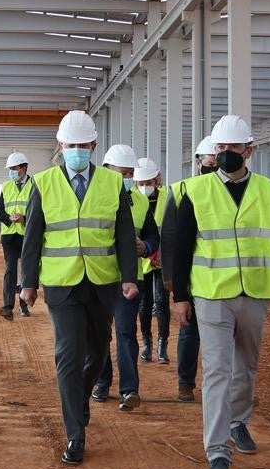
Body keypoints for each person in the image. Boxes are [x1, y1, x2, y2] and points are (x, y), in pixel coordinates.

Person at [170, 115, 270, 469]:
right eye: (221, 148)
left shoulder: (267, 191)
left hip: (255, 293)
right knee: (218, 369)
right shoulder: (195, 191)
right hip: (212, 293)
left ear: (249, 150)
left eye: (233, 148)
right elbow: (181, 248)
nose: (226, 154)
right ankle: (217, 451)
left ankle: (238, 421)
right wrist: (181, 296)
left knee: (246, 366)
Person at [20, 111, 138, 466]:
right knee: (68, 355)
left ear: (93, 146)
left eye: (83, 145)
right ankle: (75, 434)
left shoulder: (112, 184)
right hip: (62, 284)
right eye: (70, 145)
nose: (76, 150)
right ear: (60, 146)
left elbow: (124, 235)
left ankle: (79, 399)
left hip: (102, 282)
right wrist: (27, 283)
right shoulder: (43, 183)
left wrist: (130, 276)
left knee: (99, 352)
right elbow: (32, 237)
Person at [92, 144, 158, 411]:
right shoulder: (93, 198)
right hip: (99, 276)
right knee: (99, 333)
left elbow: (153, 234)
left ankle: (129, 390)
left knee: (125, 332)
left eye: (131, 173)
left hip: (131, 278)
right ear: (108, 170)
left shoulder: (140, 201)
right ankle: (102, 381)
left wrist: (148, 247)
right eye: (124, 173)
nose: (129, 179)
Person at [160, 137, 219, 401]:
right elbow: (169, 237)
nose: (214, 167)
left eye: (217, 163)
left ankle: (223, 387)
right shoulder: (182, 189)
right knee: (190, 330)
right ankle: (186, 382)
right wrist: (172, 278)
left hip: (223, 276)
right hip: (192, 275)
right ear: (198, 163)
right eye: (210, 163)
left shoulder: (231, 191)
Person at [133, 158, 168, 364]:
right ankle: (147, 343)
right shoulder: (134, 200)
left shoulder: (168, 197)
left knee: (162, 302)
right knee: (144, 304)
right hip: (143, 260)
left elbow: (170, 230)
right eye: (141, 183)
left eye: (149, 182)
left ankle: (162, 346)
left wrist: (160, 251)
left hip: (163, 259)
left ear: (157, 180)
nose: (145, 187)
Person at [0, 152, 32, 319]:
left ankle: (24, 306)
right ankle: (8, 306)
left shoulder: (35, 185)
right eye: (10, 169)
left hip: (27, 235)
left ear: (24, 168)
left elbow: (39, 212)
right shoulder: (6, 186)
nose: (11, 171)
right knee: (10, 269)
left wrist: (24, 219)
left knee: (26, 270)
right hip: (9, 235)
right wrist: (9, 219)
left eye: (14, 168)